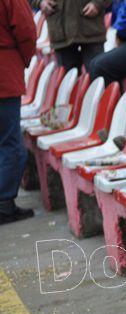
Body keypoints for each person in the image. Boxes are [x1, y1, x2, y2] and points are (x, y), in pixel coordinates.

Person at [0, 0, 36, 225]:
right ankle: (4, 204)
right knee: (10, 144)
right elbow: (26, 30)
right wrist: (23, 58)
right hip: (4, 71)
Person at [34, 0, 108, 71]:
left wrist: (97, 3)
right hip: (61, 34)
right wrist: (40, 2)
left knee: (97, 75)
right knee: (67, 78)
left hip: (91, 30)